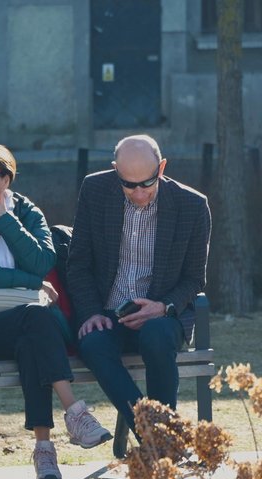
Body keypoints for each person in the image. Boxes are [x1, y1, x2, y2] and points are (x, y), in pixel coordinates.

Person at [0, 141, 113, 479]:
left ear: (6, 177)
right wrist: (31, 283)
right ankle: (75, 414)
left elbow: (42, 260)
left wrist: (4, 220)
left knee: (32, 335)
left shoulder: (25, 212)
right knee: (37, 317)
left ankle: (44, 449)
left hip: (32, 327)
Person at [66, 134, 212, 438]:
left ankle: (160, 440)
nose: (138, 193)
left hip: (162, 313)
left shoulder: (192, 205)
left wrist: (162, 307)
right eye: (128, 184)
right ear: (115, 170)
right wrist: (91, 312)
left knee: (157, 337)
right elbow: (78, 263)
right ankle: (156, 437)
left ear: (161, 167)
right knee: (92, 344)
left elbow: (194, 278)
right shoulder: (95, 190)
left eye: (146, 183)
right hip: (108, 311)